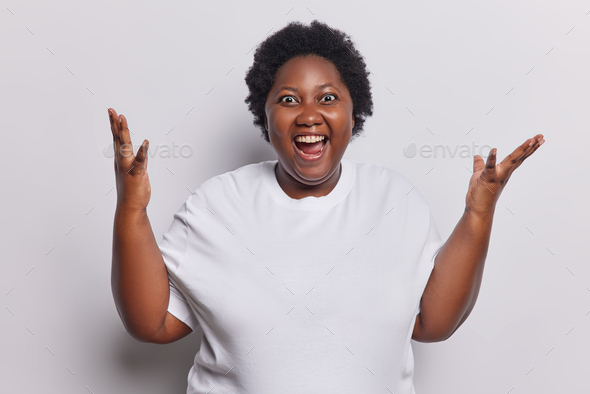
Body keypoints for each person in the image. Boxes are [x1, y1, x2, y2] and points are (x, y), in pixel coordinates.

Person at [108, 20, 544, 394]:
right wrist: (132, 210)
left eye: (328, 98)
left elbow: (434, 324)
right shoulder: (216, 205)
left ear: (355, 113)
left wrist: (479, 213)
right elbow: (152, 325)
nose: (309, 115)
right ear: (265, 115)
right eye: (289, 99)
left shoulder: (395, 200)